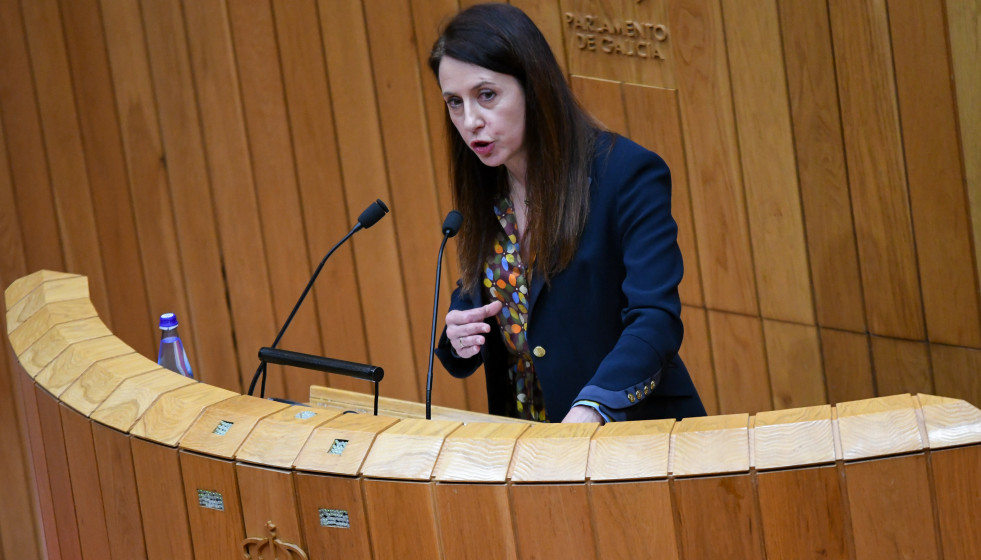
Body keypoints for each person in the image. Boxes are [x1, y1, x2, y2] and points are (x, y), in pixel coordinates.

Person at [430, 3, 705, 424]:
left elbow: (655, 320)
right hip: (529, 444)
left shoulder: (625, 173)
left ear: (533, 86)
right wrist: (459, 335)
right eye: (454, 102)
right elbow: (483, 301)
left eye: (486, 95)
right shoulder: (488, 186)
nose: (470, 122)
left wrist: (594, 405)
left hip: (633, 432)